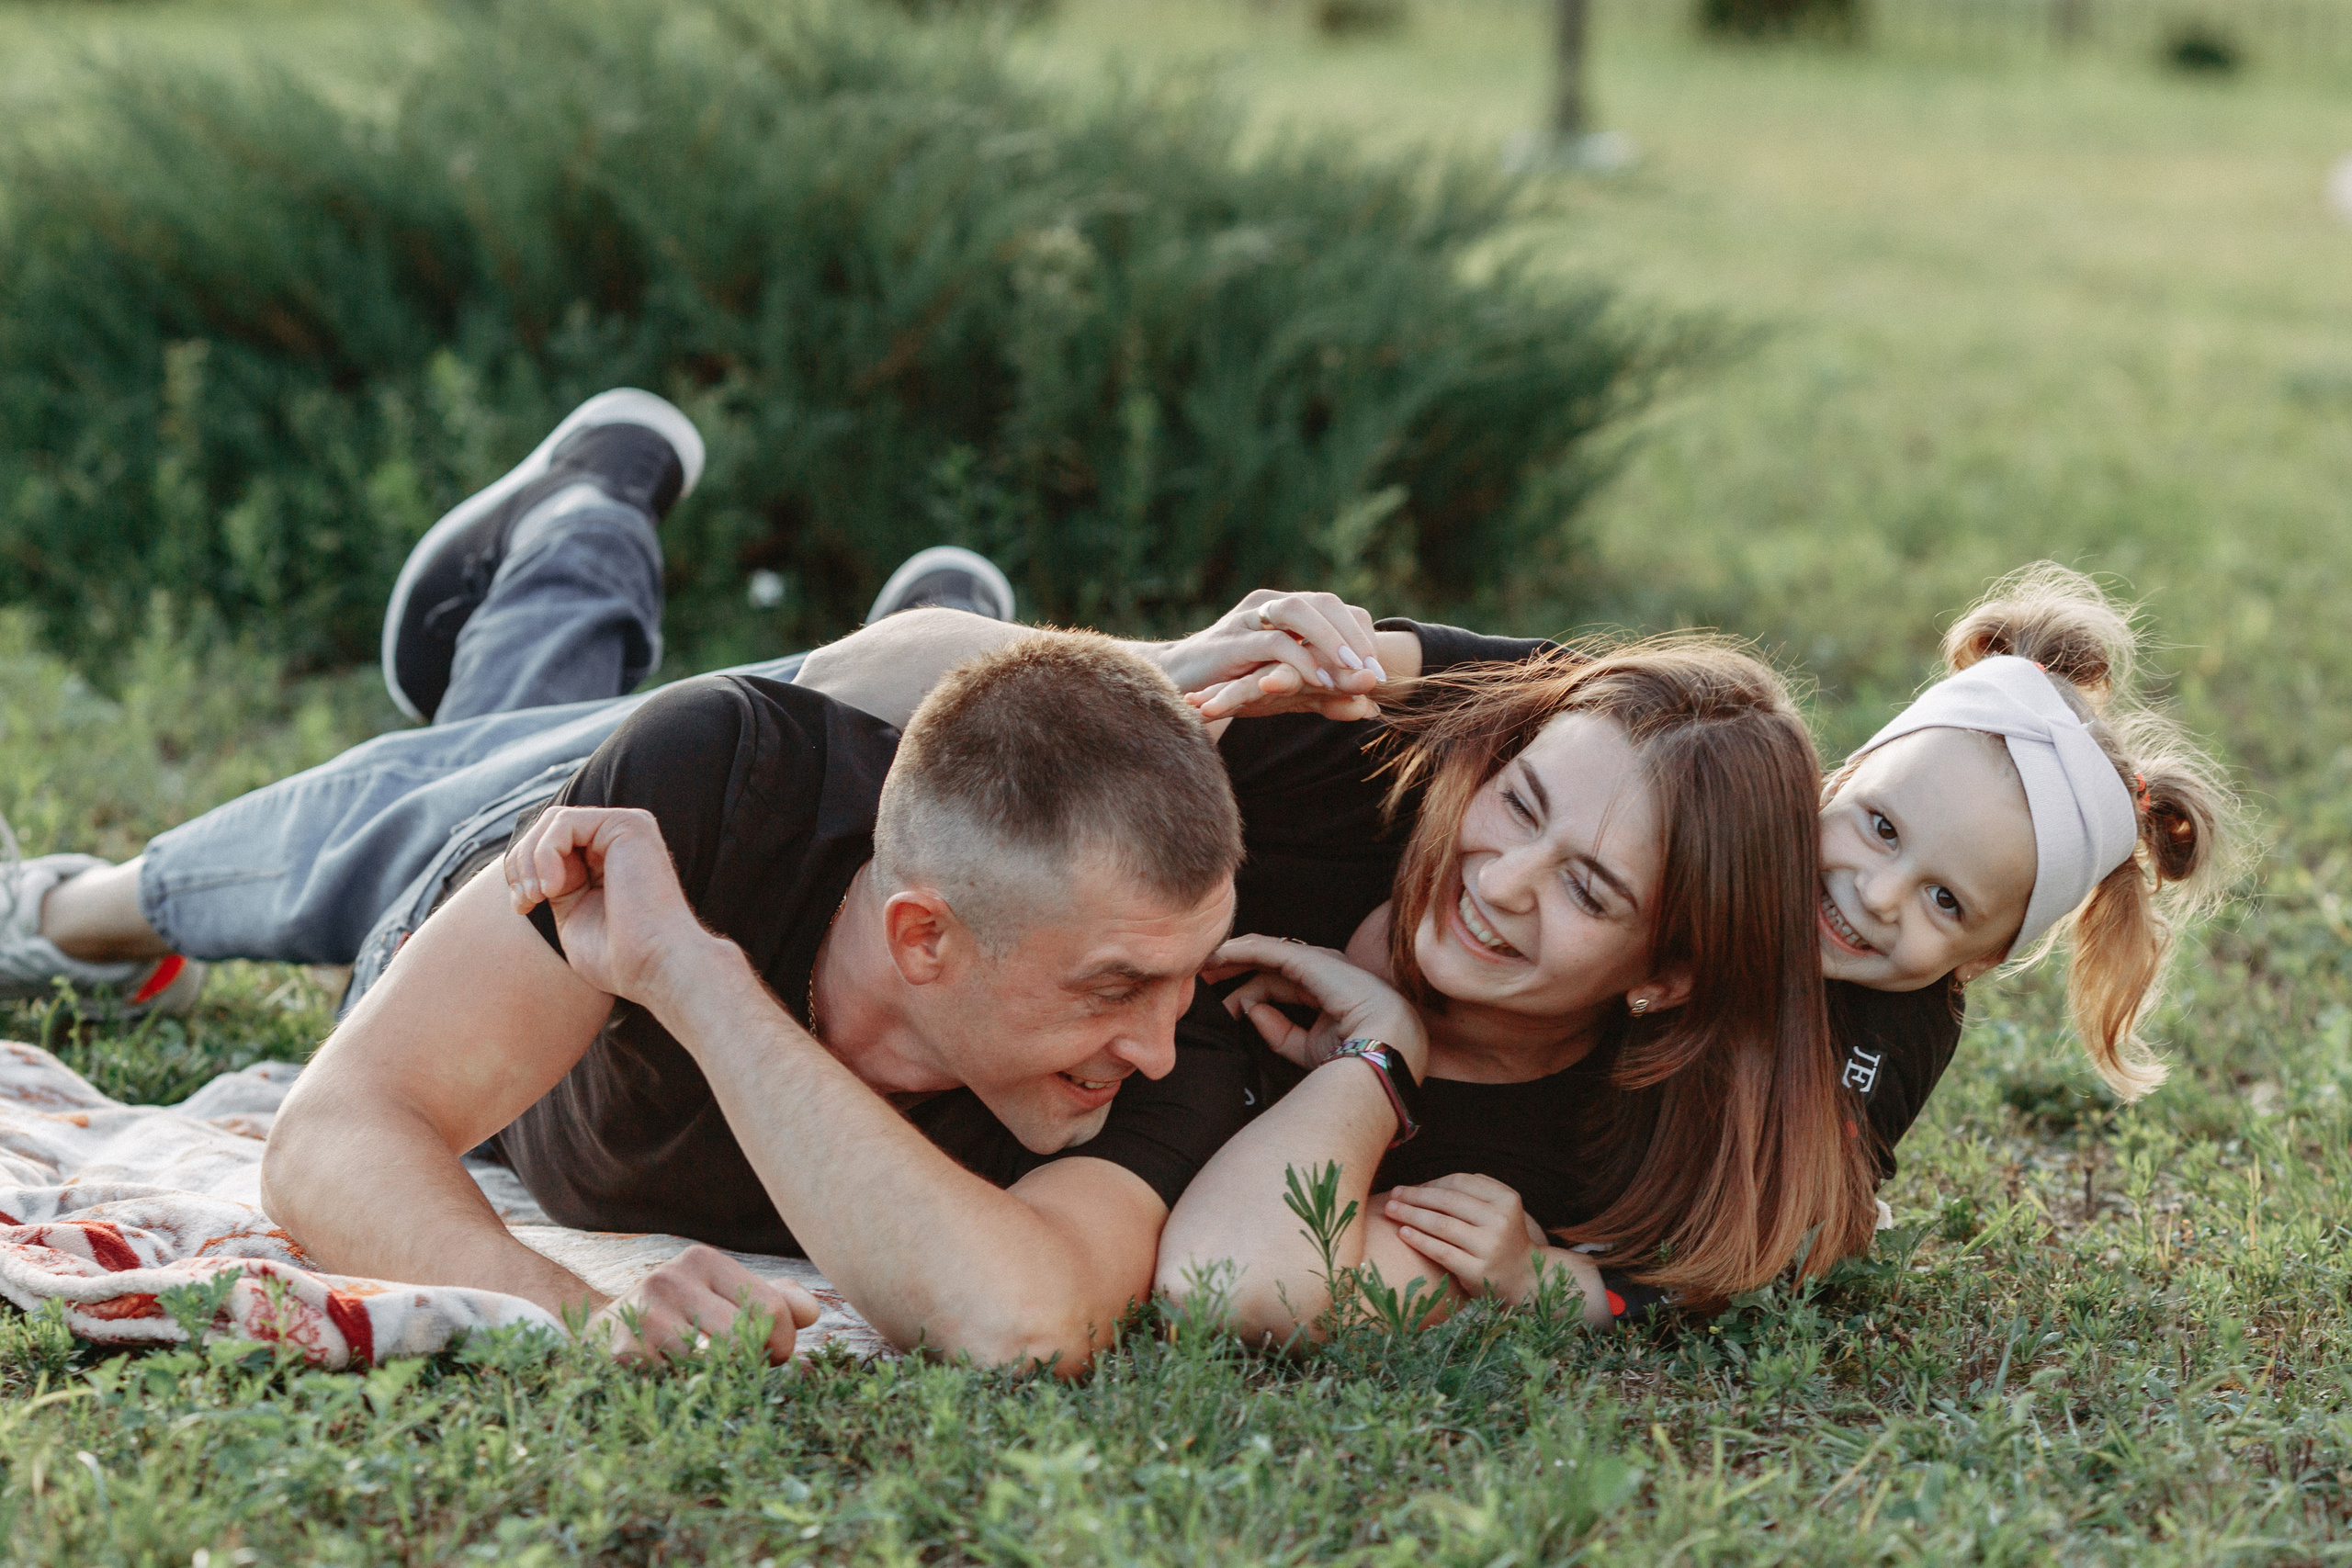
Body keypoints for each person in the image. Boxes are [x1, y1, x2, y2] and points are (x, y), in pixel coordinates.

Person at [0, 389, 1375, 1371]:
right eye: (1112, 989)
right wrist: (585, 1319)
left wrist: (696, 984)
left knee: (534, 724)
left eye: (1173, 982)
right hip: (496, 878)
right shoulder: (716, 794)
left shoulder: (1169, 1010)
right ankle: (602, 527)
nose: (1159, 1039)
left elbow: (1021, 1322)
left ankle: (636, 537)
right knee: (434, 802)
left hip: (817, 833)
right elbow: (332, 1136)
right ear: (923, 938)